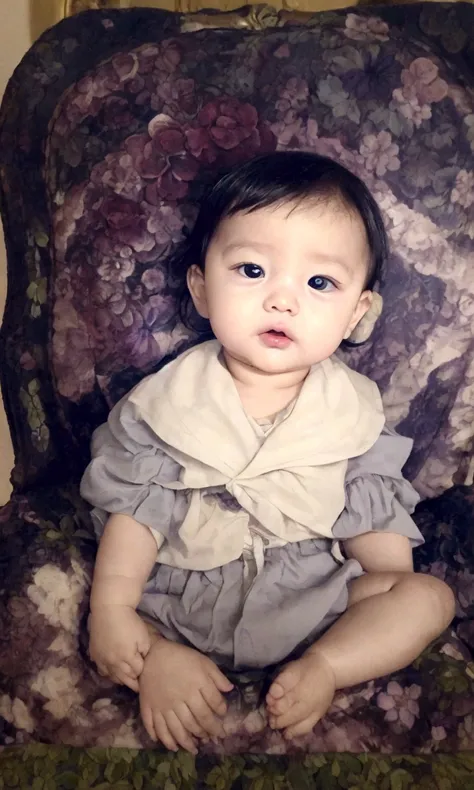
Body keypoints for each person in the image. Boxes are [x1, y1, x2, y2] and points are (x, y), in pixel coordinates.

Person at [80, 151, 455, 754]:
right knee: (114, 627)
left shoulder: (352, 411)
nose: (284, 301)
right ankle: (163, 660)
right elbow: (136, 514)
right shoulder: (167, 403)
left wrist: (381, 602)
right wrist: (115, 608)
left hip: (309, 604)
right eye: (252, 270)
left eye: (319, 283)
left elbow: (374, 517)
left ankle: (329, 666)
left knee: (426, 598)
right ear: (202, 288)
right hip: (182, 598)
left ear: (357, 312)